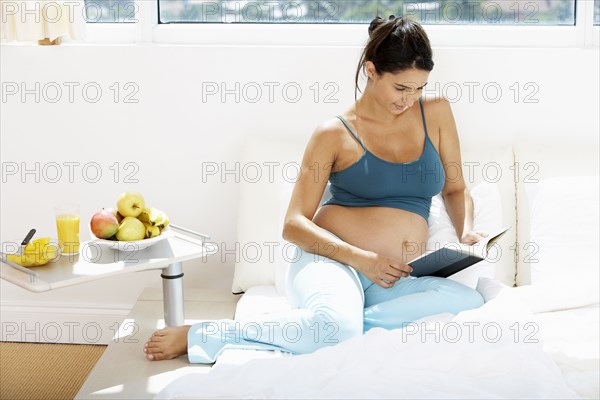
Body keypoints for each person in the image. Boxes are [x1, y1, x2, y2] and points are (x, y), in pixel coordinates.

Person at [144, 15, 486, 363]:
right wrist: (361, 259)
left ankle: (338, 326)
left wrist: (467, 230)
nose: (410, 98)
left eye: (419, 88)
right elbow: (293, 224)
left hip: (390, 274)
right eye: (401, 88)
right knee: (340, 328)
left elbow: (455, 190)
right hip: (331, 261)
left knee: (467, 302)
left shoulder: (437, 112)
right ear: (371, 70)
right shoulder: (334, 134)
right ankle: (206, 334)